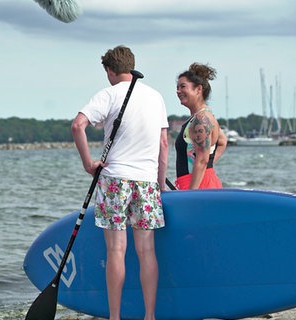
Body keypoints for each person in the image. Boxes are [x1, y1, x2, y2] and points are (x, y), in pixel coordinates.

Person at [71, 45, 168, 320]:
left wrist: (88, 163)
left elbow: (78, 125)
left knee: (116, 249)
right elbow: (163, 144)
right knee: (146, 250)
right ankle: (150, 316)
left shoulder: (109, 94)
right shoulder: (155, 97)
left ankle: (115, 317)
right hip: (147, 182)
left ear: (110, 70)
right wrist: (159, 183)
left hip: (114, 180)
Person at [174, 63, 227, 190]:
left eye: (183, 87)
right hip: (197, 182)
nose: (178, 91)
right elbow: (222, 141)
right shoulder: (203, 116)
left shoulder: (201, 119)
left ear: (198, 90)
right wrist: (207, 166)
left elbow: (202, 159)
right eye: (177, 87)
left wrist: (192, 193)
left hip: (198, 186)